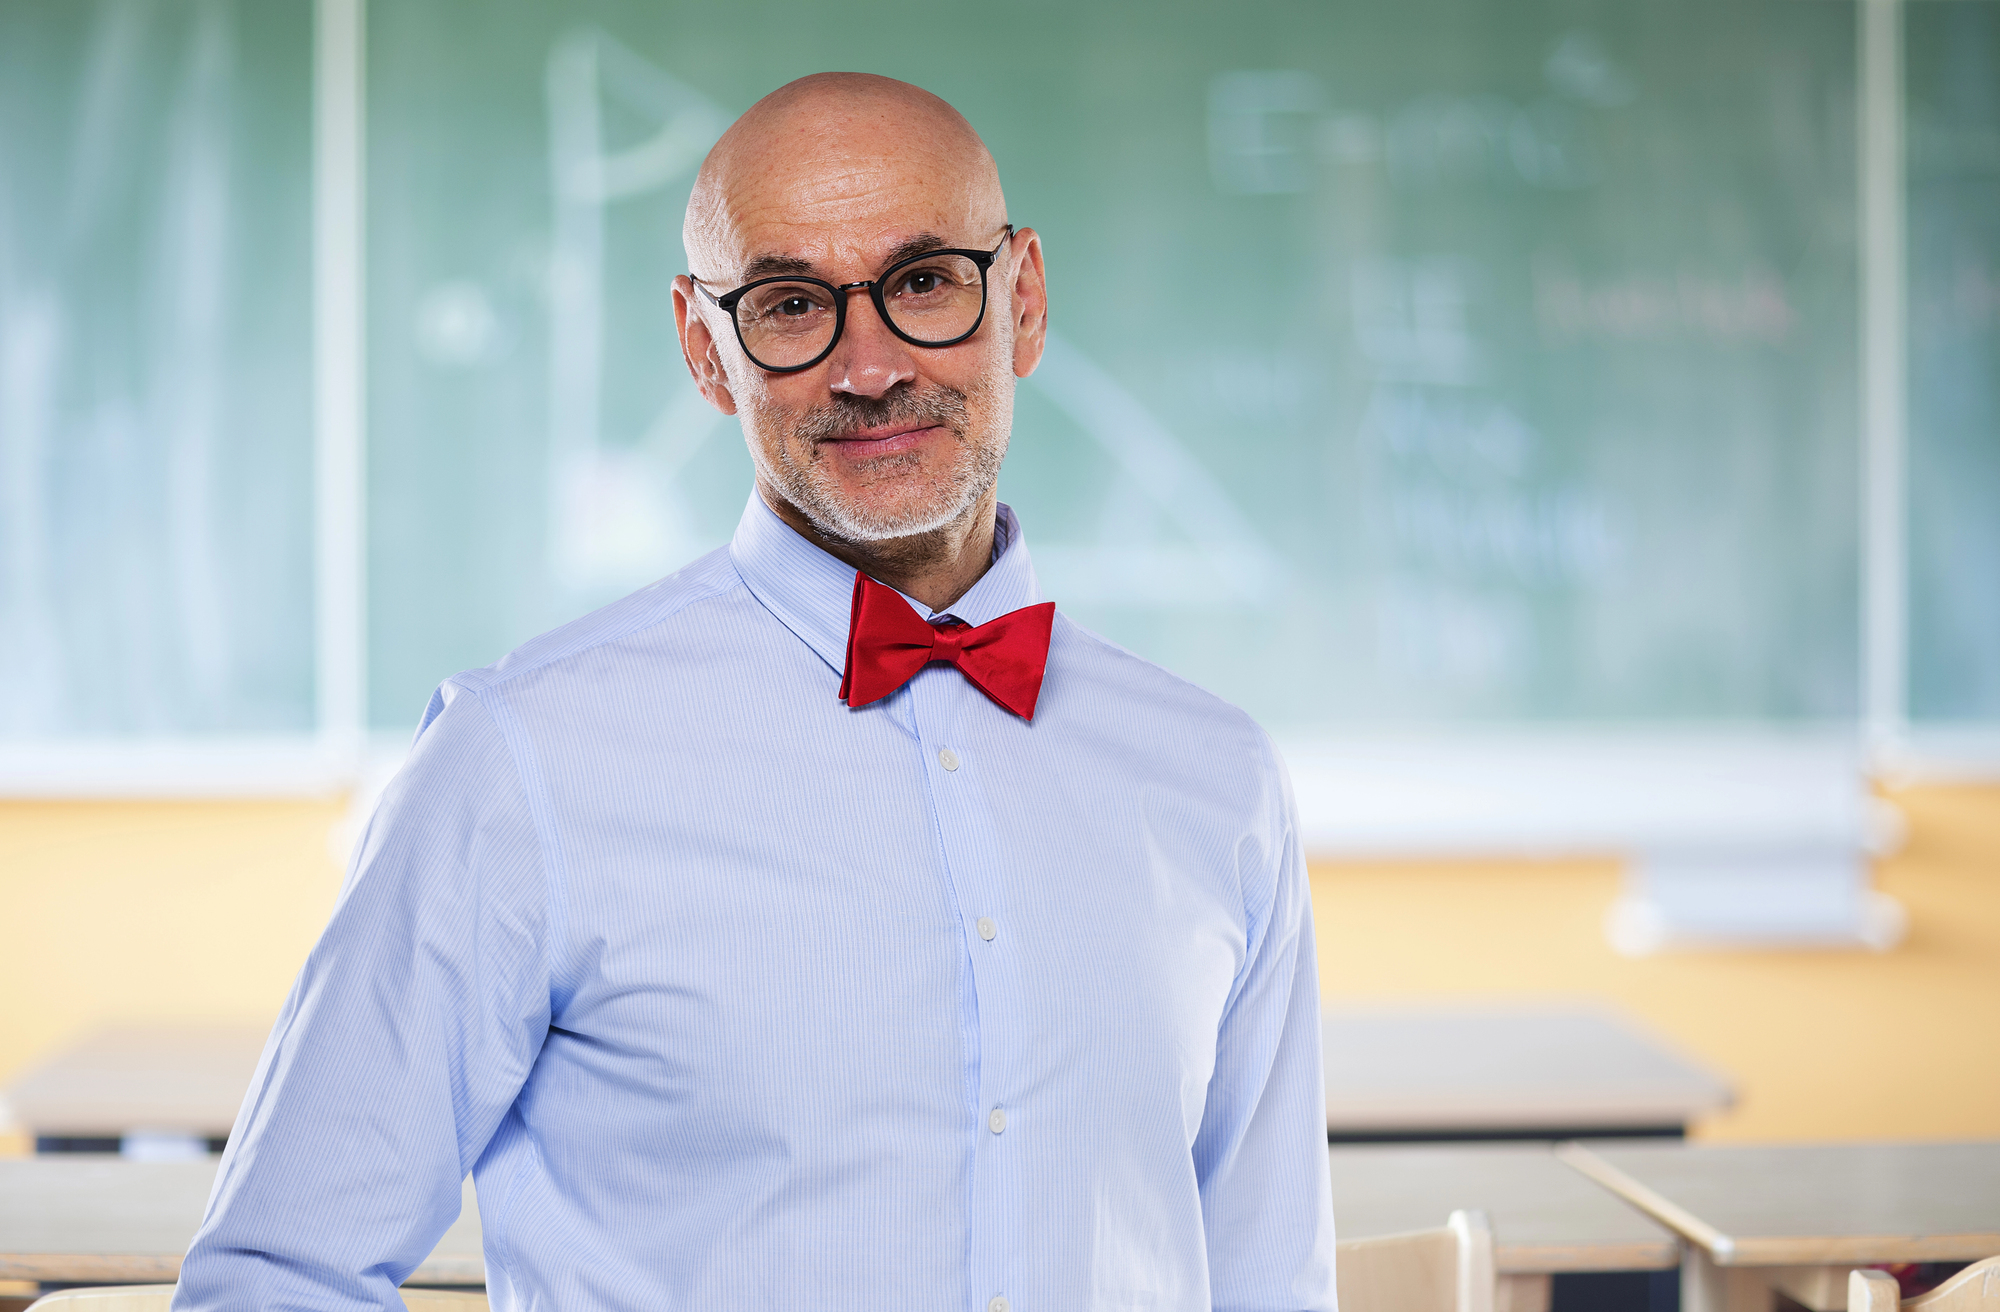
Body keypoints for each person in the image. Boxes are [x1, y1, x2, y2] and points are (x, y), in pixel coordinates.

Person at [174, 72, 1336, 1312]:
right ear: (703, 350)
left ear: (1024, 302)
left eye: (926, 280)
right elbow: (274, 1278)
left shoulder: (1214, 778)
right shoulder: (521, 761)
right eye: (790, 305)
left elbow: (1270, 1286)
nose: (872, 365)